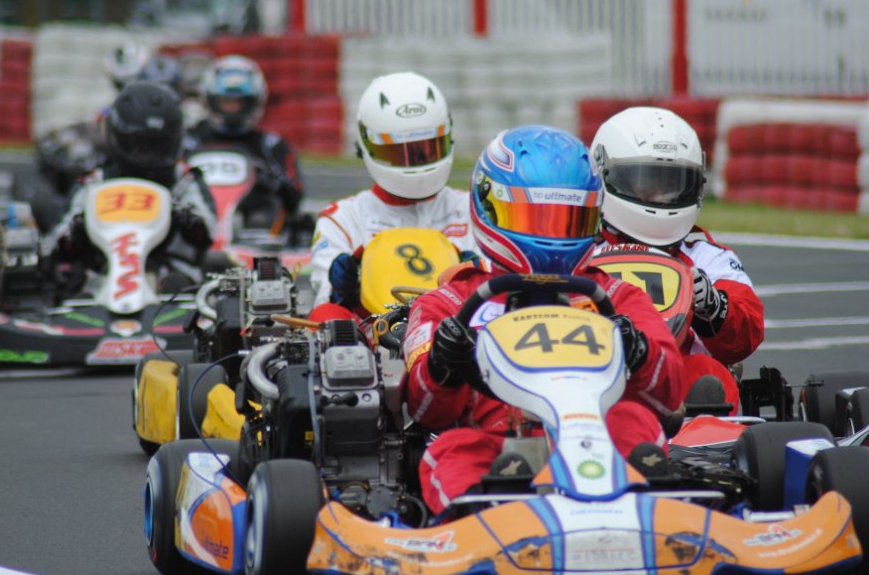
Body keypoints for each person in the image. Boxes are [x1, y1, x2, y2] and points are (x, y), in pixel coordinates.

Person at [403, 125, 685, 515]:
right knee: (450, 449)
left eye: (566, 221)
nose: (551, 237)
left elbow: (669, 395)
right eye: (534, 219)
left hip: (597, 438)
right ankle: (487, 516)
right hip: (499, 446)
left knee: (634, 418)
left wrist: (639, 353)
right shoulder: (449, 303)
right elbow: (425, 411)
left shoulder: (617, 297)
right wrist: (442, 366)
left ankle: (646, 504)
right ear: (489, 207)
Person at [589, 106, 764, 414]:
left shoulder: (705, 255)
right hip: (591, 366)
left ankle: (701, 438)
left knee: (709, 375)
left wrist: (713, 306)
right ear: (604, 175)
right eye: (646, 183)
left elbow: (746, 334)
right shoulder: (582, 249)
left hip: (679, 386)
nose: (661, 196)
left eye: (672, 184)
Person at [308, 71, 479, 322]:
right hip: (376, 334)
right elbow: (323, 295)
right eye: (400, 152)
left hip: (457, 331)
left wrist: (477, 274)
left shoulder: (474, 210)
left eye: (426, 150)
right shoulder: (342, 219)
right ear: (368, 145)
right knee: (325, 316)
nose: (415, 163)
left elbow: (504, 287)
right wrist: (343, 288)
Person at [46, 81, 217, 289]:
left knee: (180, 283)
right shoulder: (95, 182)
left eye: (158, 145)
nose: (149, 154)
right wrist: (81, 224)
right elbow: (58, 242)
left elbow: (209, 234)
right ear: (118, 137)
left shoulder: (183, 181)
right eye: (140, 145)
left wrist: (181, 213)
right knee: (71, 280)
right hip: (102, 276)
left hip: (171, 276)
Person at [187, 55, 304, 234]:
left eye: (239, 103)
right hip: (195, 222)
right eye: (226, 102)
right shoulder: (190, 140)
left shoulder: (271, 146)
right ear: (209, 100)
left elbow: (295, 198)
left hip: (250, 229)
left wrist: (270, 182)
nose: (232, 110)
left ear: (254, 102)